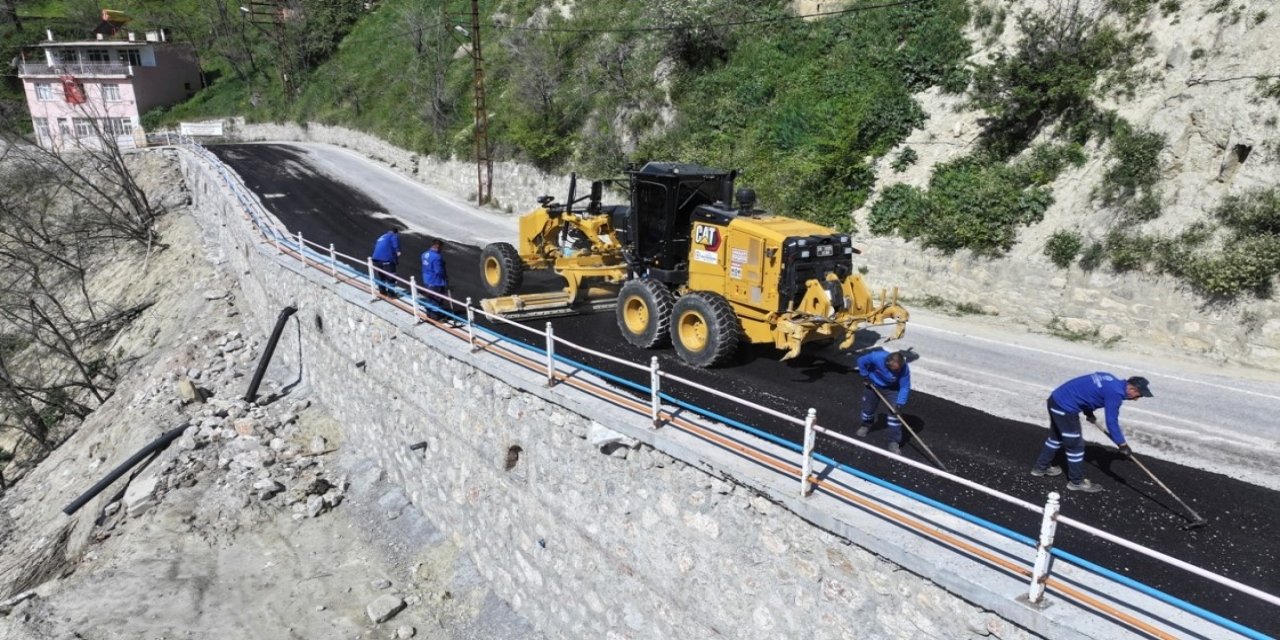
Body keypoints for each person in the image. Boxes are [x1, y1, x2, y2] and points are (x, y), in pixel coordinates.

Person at [1031, 373, 1152, 493]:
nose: (1136, 399)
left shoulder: (1109, 378)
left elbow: (1088, 392)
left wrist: (1088, 412)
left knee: (1055, 438)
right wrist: (1122, 444)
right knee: (1076, 447)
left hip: (1055, 399)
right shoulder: (1116, 394)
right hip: (1065, 409)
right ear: (1132, 389)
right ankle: (1076, 482)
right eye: (1139, 395)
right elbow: (1112, 422)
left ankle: (1040, 468)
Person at [855, 350, 911, 454]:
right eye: (895, 370)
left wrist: (900, 403)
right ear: (887, 364)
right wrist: (865, 375)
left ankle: (894, 441)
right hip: (873, 384)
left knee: (895, 416)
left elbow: (905, 387)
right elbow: (861, 361)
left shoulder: (904, 369)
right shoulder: (877, 357)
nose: (897, 372)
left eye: (898, 370)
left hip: (893, 389)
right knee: (868, 409)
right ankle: (866, 425)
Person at [420, 238, 449, 320]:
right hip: (436, 281)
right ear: (438, 247)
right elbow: (438, 271)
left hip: (426, 279)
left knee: (429, 297)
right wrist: (445, 278)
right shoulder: (437, 257)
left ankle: (429, 313)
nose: (441, 249)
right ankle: (436, 316)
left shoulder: (424, 254)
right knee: (437, 299)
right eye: (441, 248)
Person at [371, 227, 401, 296]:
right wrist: (398, 251)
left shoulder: (381, 237)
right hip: (386, 258)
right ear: (396, 232)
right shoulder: (393, 235)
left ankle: (382, 292)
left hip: (376, 259)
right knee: (391, 276)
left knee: (382, 276)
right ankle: (391, 293)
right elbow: (395, 244)